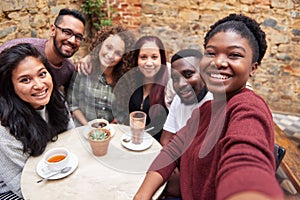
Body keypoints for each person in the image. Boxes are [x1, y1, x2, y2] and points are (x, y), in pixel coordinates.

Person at [134, 13, 284, 200]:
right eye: (211, 53)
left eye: (235, 55)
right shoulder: (205, 111)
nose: (218, 62)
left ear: (253, 68)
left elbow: (246, 161)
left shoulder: (248, 107)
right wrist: (141, 196)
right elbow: (172, 150)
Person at [0, 43, 74, 199]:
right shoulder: (4, 128)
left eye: (42, 74)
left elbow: (72, 141)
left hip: (56, 172)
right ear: (10, 87)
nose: (39, 85)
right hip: (16, 190)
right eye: (25, 80)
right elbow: (23, 186)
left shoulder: (57, 99)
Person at [0, 8, 86, 94]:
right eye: (67, 32)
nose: (72, 40)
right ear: (53, 30)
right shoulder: (17, 50)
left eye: (78, 37)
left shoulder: (68, 70)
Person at [67, 26, 136, 126]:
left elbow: (122, 114)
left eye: (118, 53)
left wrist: (111, 125)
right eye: (108, 47)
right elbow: (73, 104)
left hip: (109, 133)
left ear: (123, 57)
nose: (111, 55)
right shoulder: (83, 70)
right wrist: (88, 127)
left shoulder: (124, 80)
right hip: (82, 130)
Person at [160, 49, 213, 146]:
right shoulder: (178, 100)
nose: (181, 84)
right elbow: (165, 139)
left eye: (188, 75)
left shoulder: (216, 103)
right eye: (175, 79)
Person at [128, 36, 170, 142]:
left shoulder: (170, 87)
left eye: (154, 57)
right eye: (143, 57)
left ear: (162, 59)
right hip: (134, 145)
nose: (149, 62)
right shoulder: (133, 82)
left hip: (158, 150)